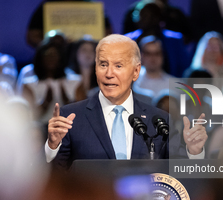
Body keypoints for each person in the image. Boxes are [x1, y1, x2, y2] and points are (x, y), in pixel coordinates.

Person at [45, 34, 208, 170]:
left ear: (136, 71)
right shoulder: (70, 117)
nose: (109, 73)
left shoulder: (159, 120)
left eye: (118, 65)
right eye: (103, 65)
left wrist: (194, 152)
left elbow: (177, 173)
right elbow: (55, 179)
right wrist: (52, 147)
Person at [132, 36, 175, 100]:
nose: (153, 58)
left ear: (162, 56)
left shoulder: (174, 84)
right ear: (141, 56)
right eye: (148, 54)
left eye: (157, 54)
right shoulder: (132, 81)